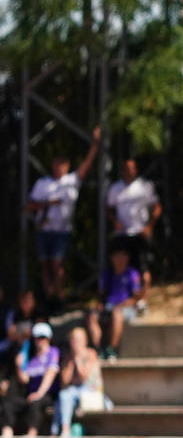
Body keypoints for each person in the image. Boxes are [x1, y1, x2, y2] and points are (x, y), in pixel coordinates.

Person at [27, 127, 101, 312]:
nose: (59, 167)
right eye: (56, 164)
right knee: (45, 266)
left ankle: (60, 297)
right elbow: (29, 205)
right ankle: (49, 297)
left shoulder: (72, 181)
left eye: (63, 164)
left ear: (67, 166)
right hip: (43, 229)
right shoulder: (43, 183)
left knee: (57, 264)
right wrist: (49, 203)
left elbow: (87, 163)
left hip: (61, 230)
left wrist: (95, 143)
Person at [1, 323, 61, 438]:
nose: (39, 340)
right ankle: (7, 436)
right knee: (9, 403)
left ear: (48, 338)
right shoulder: (33, 359)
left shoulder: (53, 352)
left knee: (35, 402)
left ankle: (31, 436)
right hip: (31, 394)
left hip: (48, 394)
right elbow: (25, 379)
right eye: (36, 337)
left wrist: (39, 393)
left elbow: (50, 374)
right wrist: (18, 365)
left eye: (42, 337)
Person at [106, 158, 161, 293]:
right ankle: (127, 296)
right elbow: (109, 209)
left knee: (143, 267)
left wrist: (149, 227)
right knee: (122, 267)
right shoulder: (115, 188)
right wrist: (115, 221)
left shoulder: (145, 186)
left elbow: (157, 208)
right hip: (123, 234)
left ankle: (142, 298)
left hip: (140, 233)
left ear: (136, 170)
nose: (129, 171)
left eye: (131, 168)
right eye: (126, 168)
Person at [85, 246, 142, 360]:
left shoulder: (132, 274)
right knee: (92, 316)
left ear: (127, 258)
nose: (119, 259)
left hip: (125, 307)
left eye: (122, 255)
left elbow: (136, 298)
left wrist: (119, 306)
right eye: (117, 256)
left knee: (116, 314)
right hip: (108, 306)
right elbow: (101, 295)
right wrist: (100, 304)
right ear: (112, 258)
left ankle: (111, 349)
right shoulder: (107, 274)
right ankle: (98, 349)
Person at [53, 326, 105, 438]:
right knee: (63, 396)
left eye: (78, 340)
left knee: (67, 396)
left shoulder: (91, 354)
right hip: (74, 392)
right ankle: (63, 430)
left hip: (90, 389)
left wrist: (77, 361)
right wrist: (71, 363)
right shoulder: (67, 357)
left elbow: (83, 377)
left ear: (85, 341)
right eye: (73, 340)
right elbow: (65, 381)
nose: (75, 343)